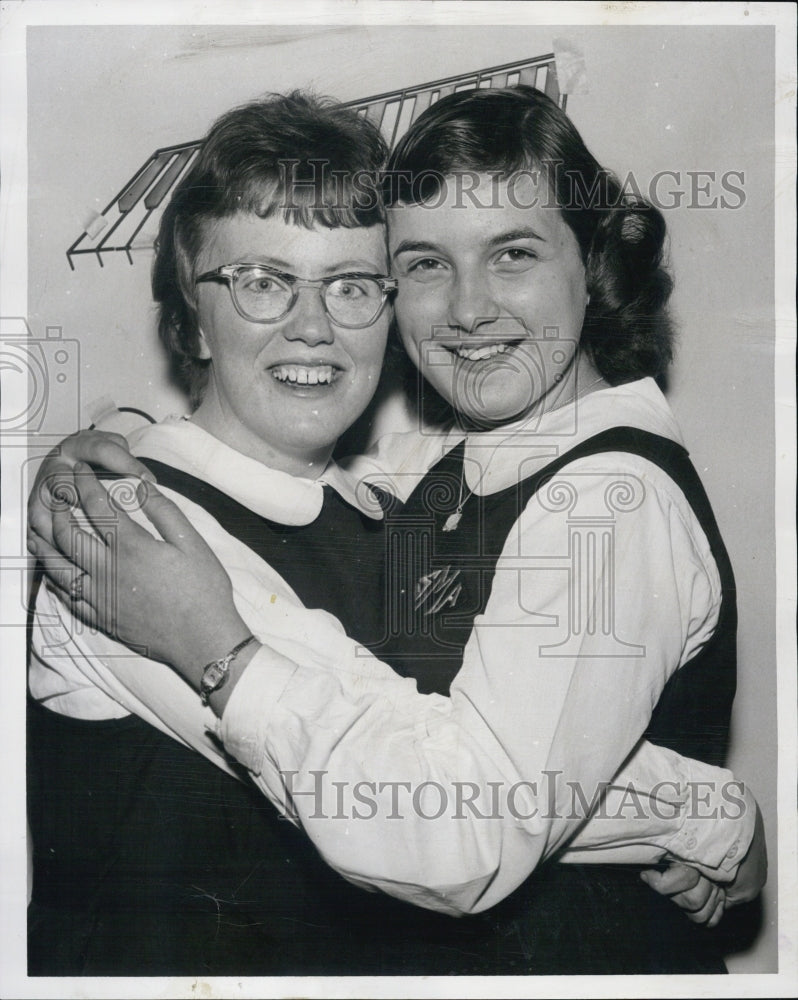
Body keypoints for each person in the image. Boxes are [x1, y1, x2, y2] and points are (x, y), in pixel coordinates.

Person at [27, 87, 766, 975]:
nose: (312, 326)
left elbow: (464, 768)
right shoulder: (122, 534)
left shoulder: (390, 506)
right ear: (190, 315)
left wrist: (710, 819)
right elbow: (441, 802)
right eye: (263, 282)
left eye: (349, 285)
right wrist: (702, 811)